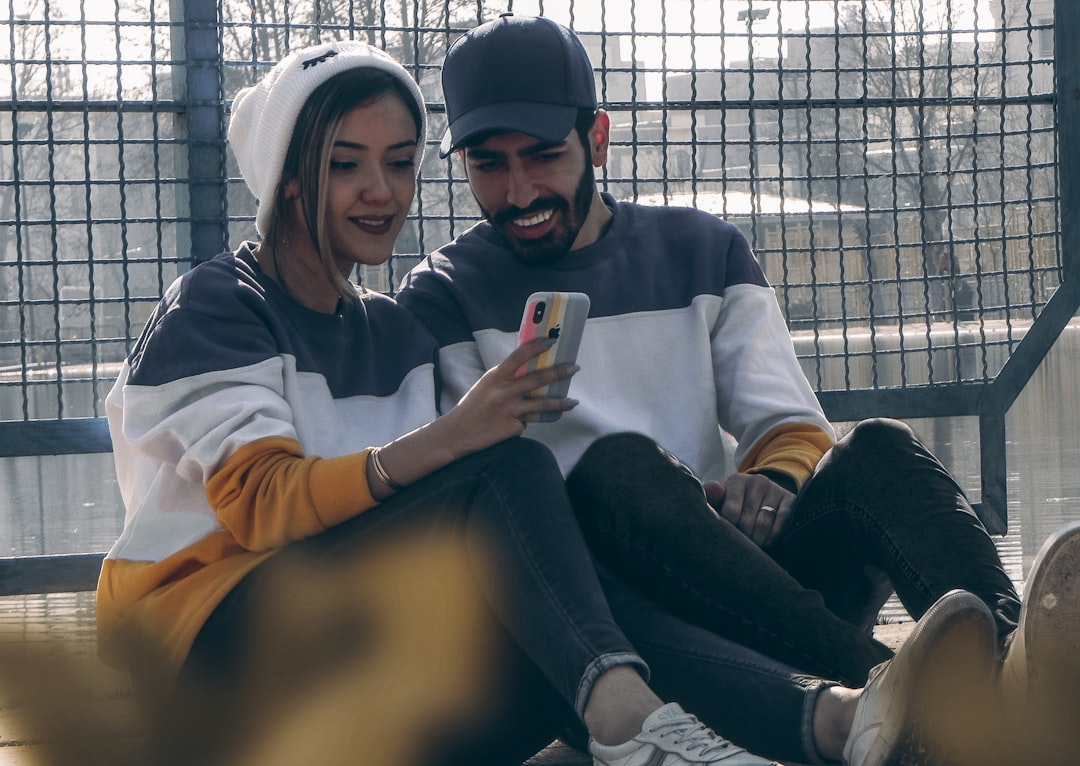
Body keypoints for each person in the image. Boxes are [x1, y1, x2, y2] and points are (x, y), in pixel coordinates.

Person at [395, 13, 1080, 765]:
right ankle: (900, 696)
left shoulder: (703, 250)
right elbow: (479, 501)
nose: (519, 189)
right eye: (488, 165)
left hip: (744, 574)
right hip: (620, 626)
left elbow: (790, 424)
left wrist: (771, 479)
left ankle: (1017, 669)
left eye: (544, 156)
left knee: (881, 447)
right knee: (620, 469)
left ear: (597, 140)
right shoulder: (438, 298)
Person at [94, 39, 791, 766]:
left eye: (400, 162)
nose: (381, 190)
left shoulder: (395, 330)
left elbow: (435, 531)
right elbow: (263, 502)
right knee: (508, 472)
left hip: (362, 669)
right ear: (287, 177)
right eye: (345, 164)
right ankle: (631, 725)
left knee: (565, 604)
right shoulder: (216, 305)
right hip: (217, 674)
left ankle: (833, 716)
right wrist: (459, 435)